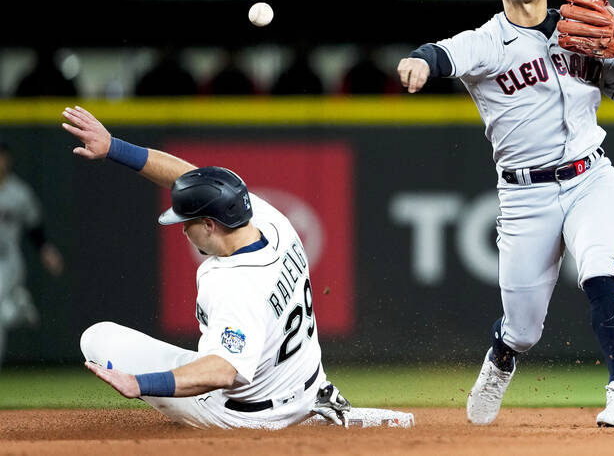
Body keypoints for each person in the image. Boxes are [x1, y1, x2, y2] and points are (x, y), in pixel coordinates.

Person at [396, 0, 614, 428]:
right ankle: (501, 356)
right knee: (523, 330)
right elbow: (438, 53)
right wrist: (418, 61)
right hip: (524, 196)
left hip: (591, 178)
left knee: (599, 268)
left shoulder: (583, 32)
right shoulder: (486, 41)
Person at [60, 106, 413, 429]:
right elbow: (190, 178)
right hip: (303, 384)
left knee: (97, 338)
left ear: (210, 225)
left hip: (247, 416)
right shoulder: (272, 223)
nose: (182, 228)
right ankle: (315, 406)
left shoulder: (232, 284)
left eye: (187, 221)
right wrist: (114, 148)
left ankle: (296, 422)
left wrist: (140, 384)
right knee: (217, 353)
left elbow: (223, 371)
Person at [0, 138, 65, 369]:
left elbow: (35, 228)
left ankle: (14, 306)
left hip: (7, 261)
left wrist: (46, 251)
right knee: (3, 313)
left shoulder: (19, 192)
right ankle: (18, 306)